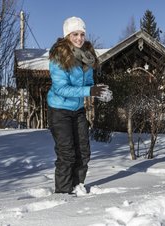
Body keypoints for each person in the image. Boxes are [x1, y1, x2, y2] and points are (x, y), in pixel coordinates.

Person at [47, 16, 112, 194]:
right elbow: (61, 89)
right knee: (67, 153)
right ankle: (62, 193)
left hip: (77, 110)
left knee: (84, 151)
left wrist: (99, 92)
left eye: (82, 34)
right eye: (75, 34)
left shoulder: (87, 57)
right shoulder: (58, 57)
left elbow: (88, 84)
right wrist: (89, 92)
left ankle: (77, 187)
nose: (79, 38)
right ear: (67, 35)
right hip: (59, 111)